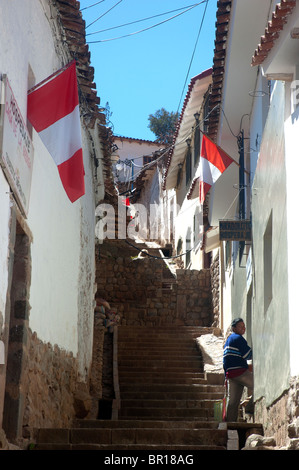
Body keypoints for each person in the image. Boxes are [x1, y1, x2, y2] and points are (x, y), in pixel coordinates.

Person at [223, 317, 253, 422]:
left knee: (233, 402)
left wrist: (225, 376)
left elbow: (225, 362)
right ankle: (249, 407)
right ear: (234, 328)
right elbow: (248, 355)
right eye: (240, 327)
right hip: (240, 373)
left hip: (231, 375)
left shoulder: (228, 341)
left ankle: (230, 425)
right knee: (258, 386)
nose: (243, 329)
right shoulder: (238, 338)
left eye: (244, 327)